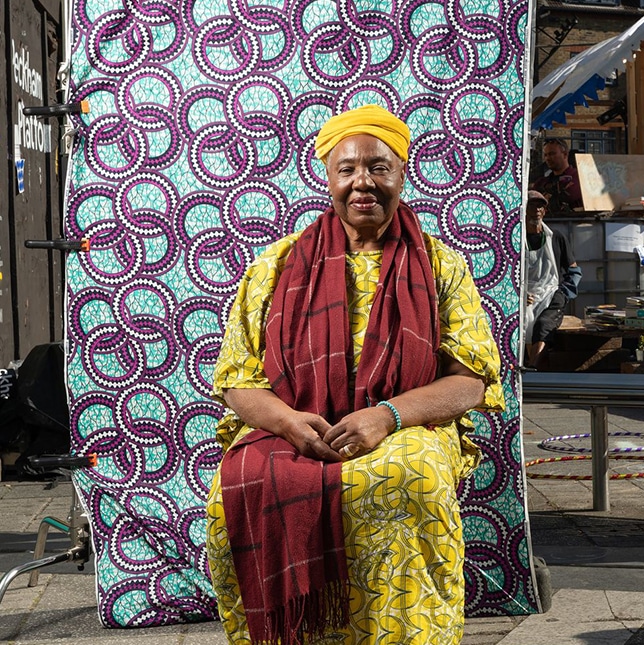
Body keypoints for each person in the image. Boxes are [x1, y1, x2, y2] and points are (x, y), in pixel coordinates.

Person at [205, 104, 504, 644]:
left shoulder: (440, 266)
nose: (362, 182)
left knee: (409, 480)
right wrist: (291, 424)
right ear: (328, 177)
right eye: (347, 170)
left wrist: (386, 416)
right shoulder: (276, 266)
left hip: (407, 427)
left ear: (403, 173)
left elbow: (470, 380)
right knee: (242, 484)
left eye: (378, 168)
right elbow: (238, 378)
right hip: (297, 425)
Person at [524, 190, 581, 369]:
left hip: (551, 293)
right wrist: (519, 293)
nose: (537, 211)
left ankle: (532, 369)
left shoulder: (556, 237)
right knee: (521, 324)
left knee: (543, 325)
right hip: (525, 295)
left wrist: (564, 293)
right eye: (532, 206)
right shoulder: (515, 239)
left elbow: (574, 270)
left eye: (540, 206)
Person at [531, 137, 583, 214]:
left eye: (552, 154)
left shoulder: (579, 178)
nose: (548, 158)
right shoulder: (541, 182)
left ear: (565, 154)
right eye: (545, 155)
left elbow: (570, 196)